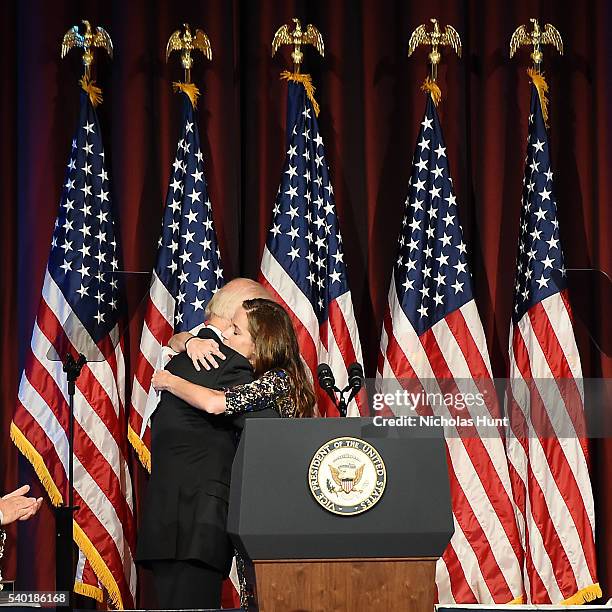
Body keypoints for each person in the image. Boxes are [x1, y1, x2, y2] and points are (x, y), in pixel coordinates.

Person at [151, 298, 316, 609]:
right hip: (259, 506)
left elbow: (216, 403)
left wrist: (169, 381)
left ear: (260, 345)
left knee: (271, 596)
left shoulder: (278, 380)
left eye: (236, 332)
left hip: (272, 510)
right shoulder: (283, 379)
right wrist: (188, 339)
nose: (226, 337)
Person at [135, 279, 274, 610]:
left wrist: (185, 342)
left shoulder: (178, 359)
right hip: (196, 527)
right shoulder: (228, 363)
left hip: (167, 525)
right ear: (234, 318)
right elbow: (269, 431)